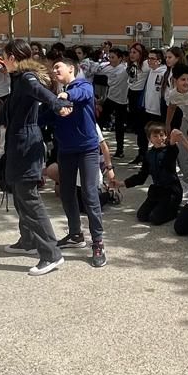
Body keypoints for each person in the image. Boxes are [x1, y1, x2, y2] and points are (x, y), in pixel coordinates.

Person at [0, 40, 71, 275]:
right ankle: (28, 241)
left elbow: (42, 93)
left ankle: (52, 254)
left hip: (27, 145)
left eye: (4, 57)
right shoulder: (18, 78)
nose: (3, 62)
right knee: (18, 194)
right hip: (18, 144)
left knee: (29, 198)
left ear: (14, 58)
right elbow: (7, 108)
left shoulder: (27, 79)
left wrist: (58, 104)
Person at [50, 59, 110, 266]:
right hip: (66, 150)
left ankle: (98, 242)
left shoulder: (82, 86)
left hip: (87, 150)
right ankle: (75, 234)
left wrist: (66, 96)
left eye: (58, 67)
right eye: (53, 68)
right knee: (66, 192)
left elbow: (82, 94)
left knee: (90, 194)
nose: (54, 70)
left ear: (71, 69)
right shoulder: (55, 93)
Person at [129, 123, 184, 227]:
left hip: (171, 191)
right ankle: (161, 206)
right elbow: (142, 176)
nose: (159, 138)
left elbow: (169, 159)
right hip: (157, 191)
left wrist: (172, 143)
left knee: (155, 219)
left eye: (162, 135)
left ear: (166, 136)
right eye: (155, 136)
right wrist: (122, 183)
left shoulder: (170, 150)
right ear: (149, 138)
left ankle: (174, 210)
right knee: (142, 216)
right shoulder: (149, 154)